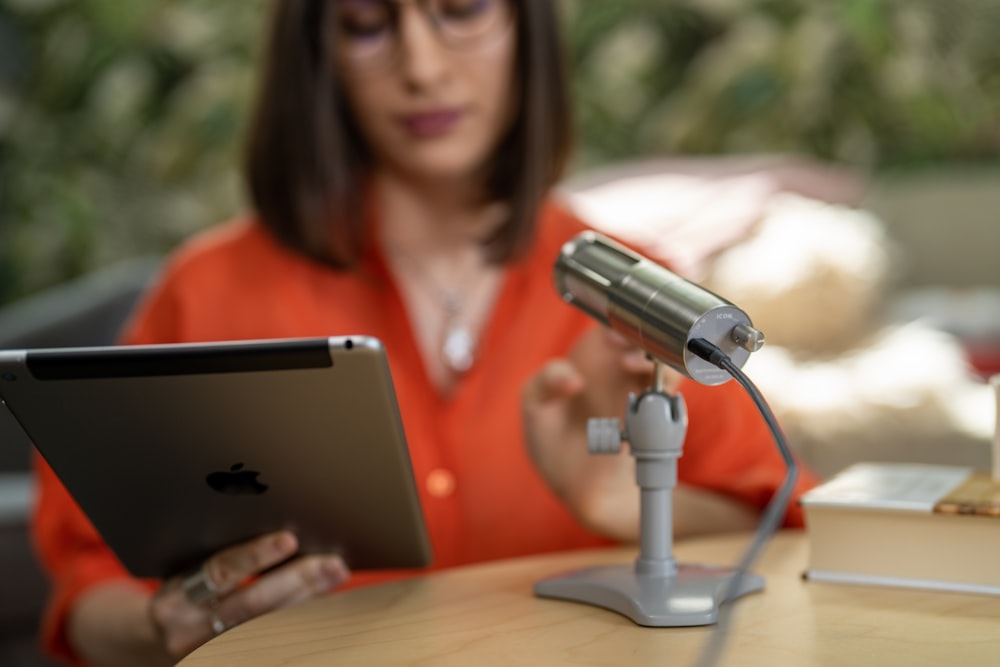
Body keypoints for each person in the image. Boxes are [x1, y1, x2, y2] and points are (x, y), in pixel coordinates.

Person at [31, 0, 820, 664]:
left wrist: (636, 500)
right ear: (319, 55)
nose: (422, 69)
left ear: (527, 28)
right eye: (369, 24)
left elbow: (788, 519)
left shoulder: (636, 294)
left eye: (462, 10)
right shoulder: (207, 294)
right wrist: (167, 624)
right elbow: (85, 588)